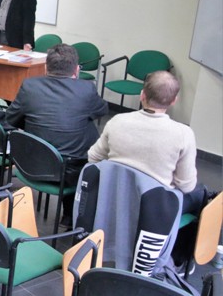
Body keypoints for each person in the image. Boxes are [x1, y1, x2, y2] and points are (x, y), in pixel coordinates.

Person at [6, 44, 108, 219]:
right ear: (76, 70)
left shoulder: (30, 86)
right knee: (87, 129)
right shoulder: (86, 89)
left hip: (32, 163)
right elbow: (102, 110)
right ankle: (71, 215)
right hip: (70, 171)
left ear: (46, 67)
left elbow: (11, 118)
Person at [88, 71, 208, 216]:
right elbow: (186, 186)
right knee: (201, 193)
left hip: (115, 199)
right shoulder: (184, 134)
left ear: (142, 95)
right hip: (155, 210)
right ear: (173, 101)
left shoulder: (117, 121)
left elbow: (93, 157)